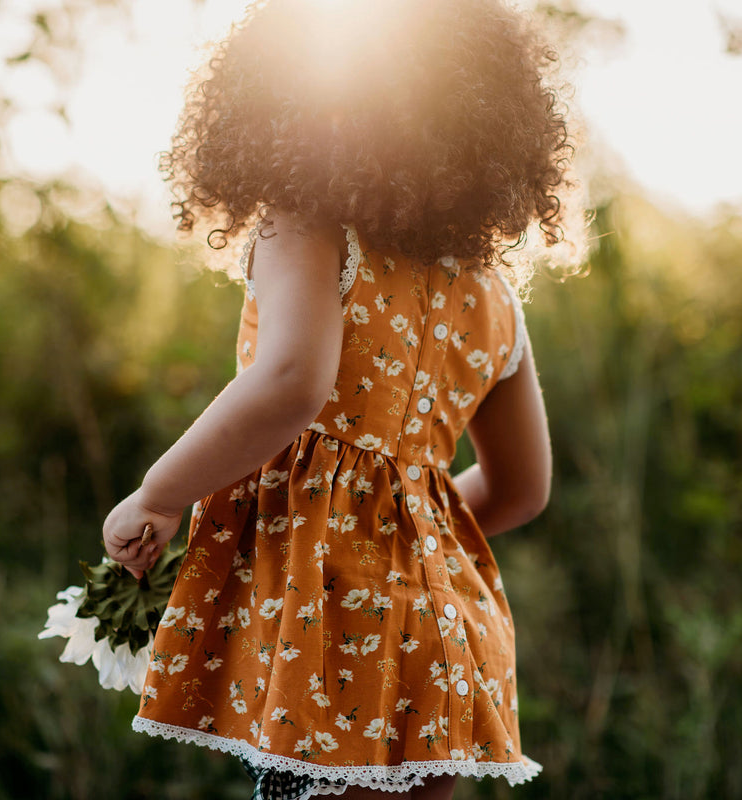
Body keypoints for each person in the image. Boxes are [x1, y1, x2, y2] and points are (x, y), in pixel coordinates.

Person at [102, 0, 576, 796]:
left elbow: (290, 383)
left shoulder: (310, 230)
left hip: (330, 629)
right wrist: (407, 542)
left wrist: (159, 494)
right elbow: (522, 491)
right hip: (448, 639)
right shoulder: (493, 295)